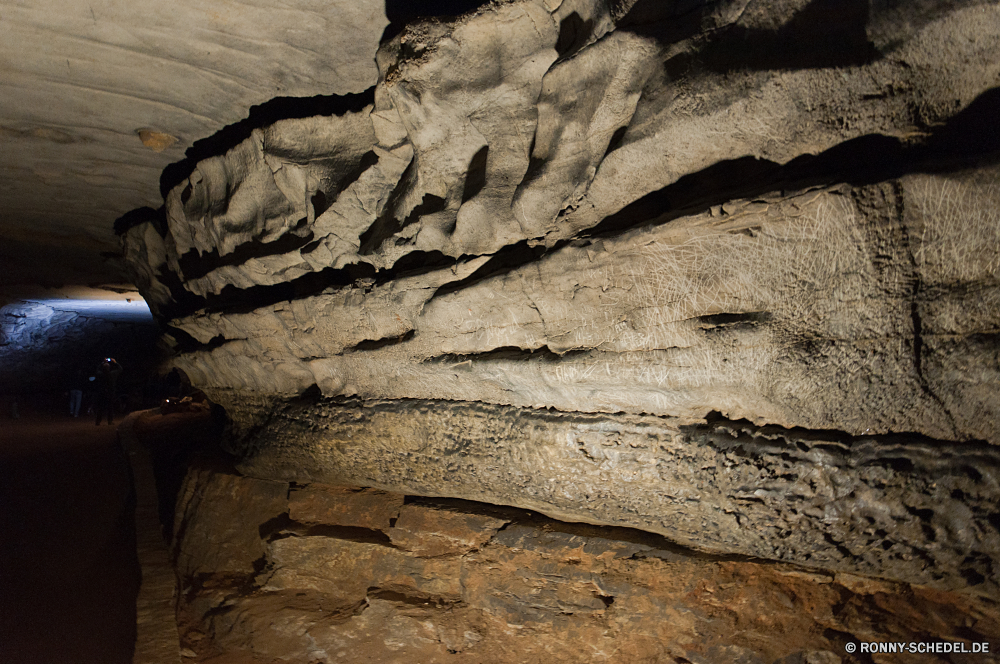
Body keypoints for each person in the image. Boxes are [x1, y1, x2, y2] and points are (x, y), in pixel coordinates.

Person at [94, 357, 123, 426]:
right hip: (110, 393)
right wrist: (115, 362)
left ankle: (98, 421)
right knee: (110, 407)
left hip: (102, 392)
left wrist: (102, 363)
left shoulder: (100, 375)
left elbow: (96, 370)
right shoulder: (112, 374)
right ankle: (110, 421)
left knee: (100, 407)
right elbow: (120, 369)